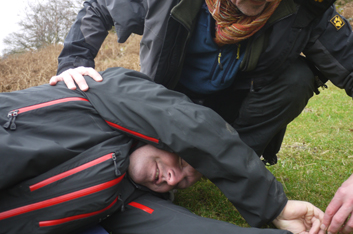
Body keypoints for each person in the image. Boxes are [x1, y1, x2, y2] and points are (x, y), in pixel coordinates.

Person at [49, 0, 353, 233]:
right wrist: (75, 61)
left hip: (237, 107)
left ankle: (229, 170)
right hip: (166, 107)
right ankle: (159, 170)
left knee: (298, 77)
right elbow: (98, 6)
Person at [0, 67, 325, 234]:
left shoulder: (121, 200)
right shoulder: (98, 90)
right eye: (183, 159)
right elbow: (187, 122)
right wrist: (274, 204)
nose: (173, 178)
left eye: (184, 183)